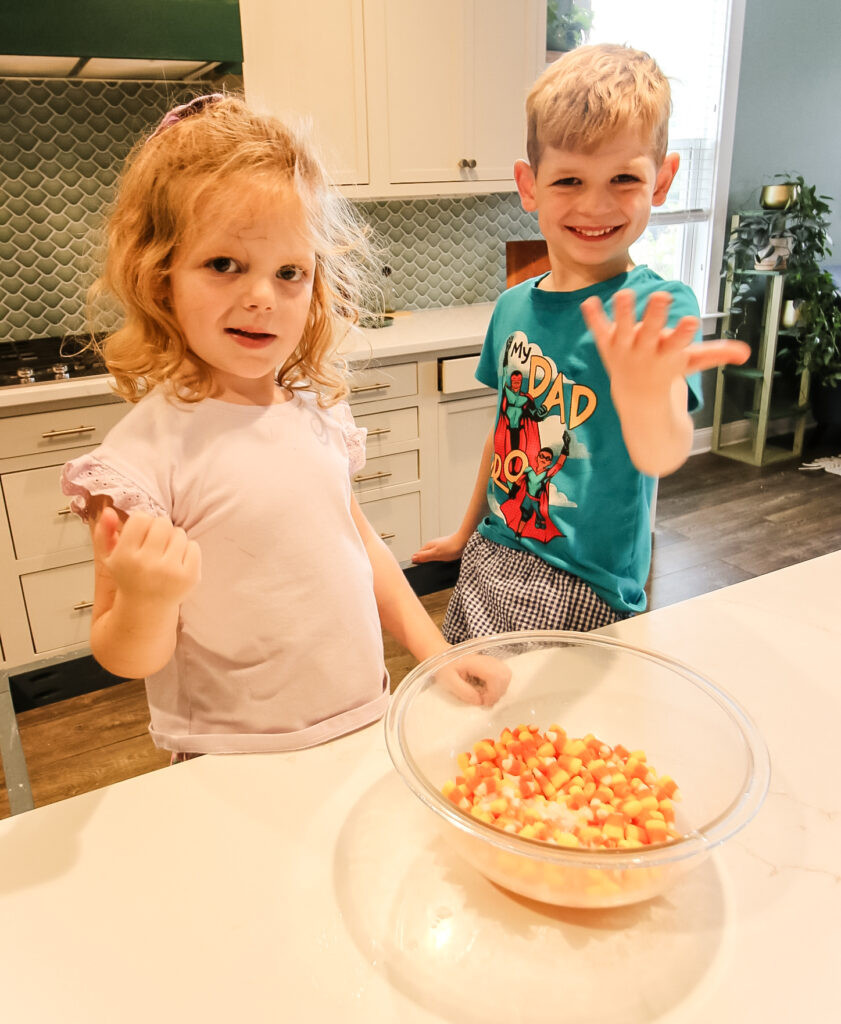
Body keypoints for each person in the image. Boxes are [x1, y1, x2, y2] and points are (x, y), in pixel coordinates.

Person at [61, 94, 507, 758]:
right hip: (231, 755)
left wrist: (434, 651)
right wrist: (146, 600)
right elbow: (126, 655)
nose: (262, 297)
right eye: (223, 265)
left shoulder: (315, 407)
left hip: (359, 719)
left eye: (289, 272)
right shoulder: (140, 462)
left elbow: (362, 550)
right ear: (161, 281)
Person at [413, 44, 750, 640]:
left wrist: (645, 395)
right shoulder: (513, 306)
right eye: (569, 179)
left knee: (561, 733)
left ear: (663, 180)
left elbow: (662, 452)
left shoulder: (659, 309)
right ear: (529, 185)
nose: (596, 204)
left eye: (624, 178)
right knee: (478, 723)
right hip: (493, 556)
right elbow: (504, 432)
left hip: (587, 586)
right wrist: (465, 534)